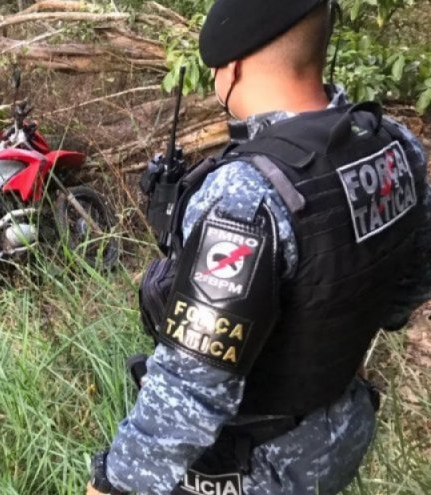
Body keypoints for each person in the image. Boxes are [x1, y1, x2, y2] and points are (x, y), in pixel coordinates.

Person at [87, 0, 431, 494]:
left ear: (234, 65)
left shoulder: (247, 192)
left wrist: (114, 483)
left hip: (257, 465)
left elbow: (189, 388)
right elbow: (409, 287)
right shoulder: (393, 144)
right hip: (339, 431)